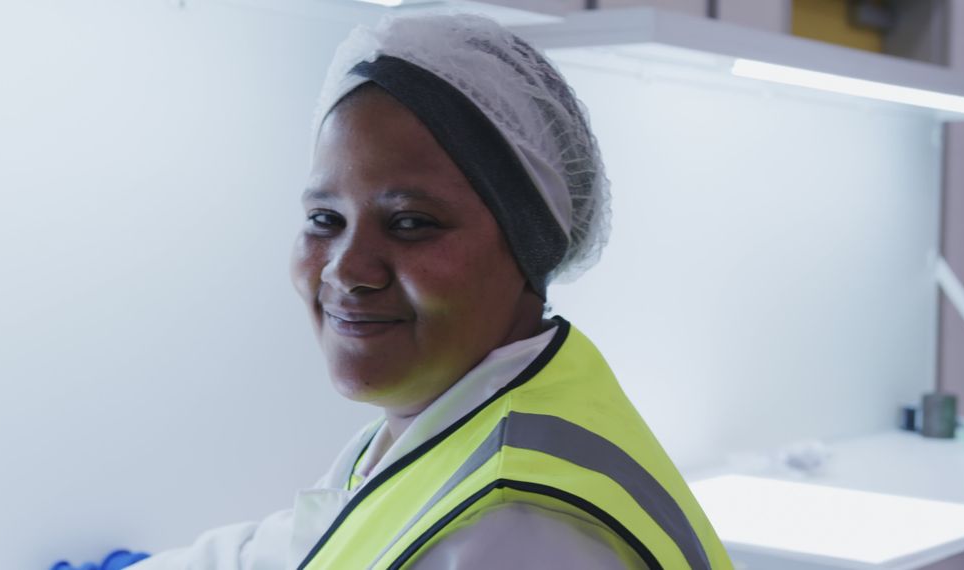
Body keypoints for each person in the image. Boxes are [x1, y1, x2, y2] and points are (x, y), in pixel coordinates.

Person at [130, 13, 731, 570]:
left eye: (412, 222)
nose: (347, 270)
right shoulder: (461, 424)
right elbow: (296, 546)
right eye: (324, 219)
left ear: (530, 248)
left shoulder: (516, 527)